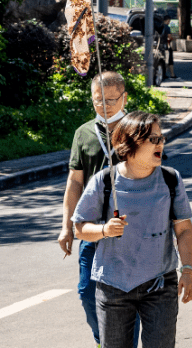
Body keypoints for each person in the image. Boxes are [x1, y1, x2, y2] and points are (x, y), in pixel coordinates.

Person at [72, 111, 192, 348]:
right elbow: (79, 228)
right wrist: (105, 230)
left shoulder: (171, 179)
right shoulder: (104, 182)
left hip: (160, 284)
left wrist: (188, 271)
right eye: (153, 139)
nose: (161, 143)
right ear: (131, 143)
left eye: (162, 138)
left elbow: (184, 231)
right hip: (113, 287)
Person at [58, 71, 140, 348]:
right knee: (86, 292)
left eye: (110, 100)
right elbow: (74, 182)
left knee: (127, 295)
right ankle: (103, 340)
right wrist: (66, 227)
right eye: (97, 101)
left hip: (129, 231)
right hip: (91, 228)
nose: (103, 106)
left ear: (124, 97)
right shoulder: (83, 133)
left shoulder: (137, 130)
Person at [159, 15, 179, 80]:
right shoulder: (167, 27)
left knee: (163, 60)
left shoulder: (159, 26)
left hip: (160, 45)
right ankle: (172, 74)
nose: (169, 22)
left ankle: (164, 74)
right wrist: (172, 38)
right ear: (167, 20)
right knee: (169, 60)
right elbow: (169, 37)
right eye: (169, 21)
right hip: (167, 45)